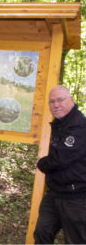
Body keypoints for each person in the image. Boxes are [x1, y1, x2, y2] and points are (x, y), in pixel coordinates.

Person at [34, 85, 86, 244]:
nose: (56, 105)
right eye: (52, 102)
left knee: (77, 240)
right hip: (55, 193)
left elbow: (61, 159)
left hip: (76, 197)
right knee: (42, 233)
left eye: (60, 100)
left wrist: (41, 163)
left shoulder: (79, 126)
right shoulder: (59, 125)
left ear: (71, 100)